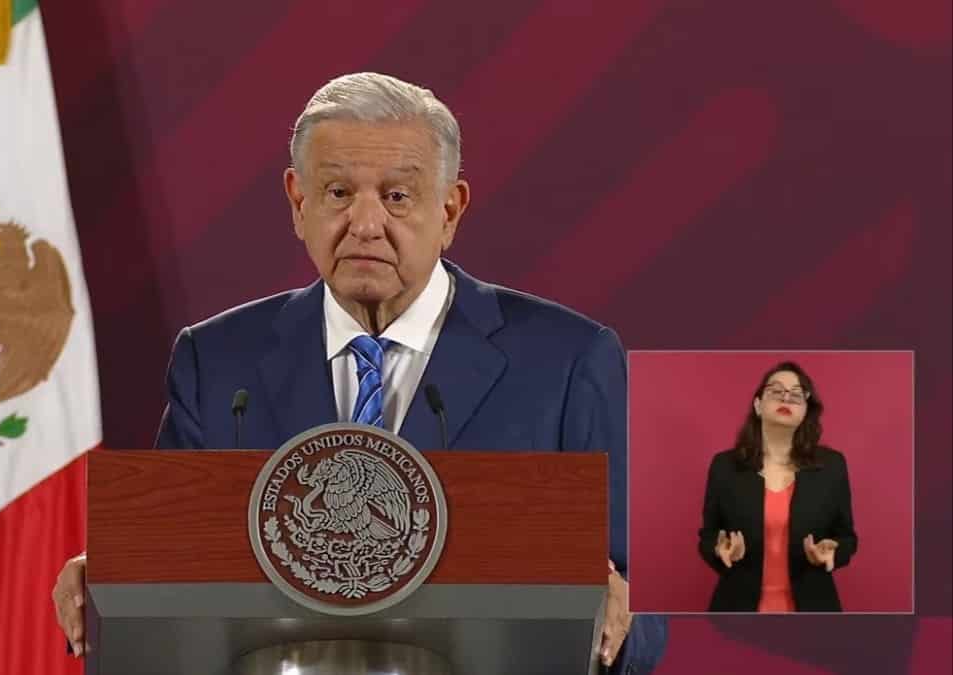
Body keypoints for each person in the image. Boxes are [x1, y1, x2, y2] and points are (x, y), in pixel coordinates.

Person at [52, 72, 667, 672]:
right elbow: (169, 566)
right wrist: (111, 581)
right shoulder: (218, 364)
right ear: (298, 202)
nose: (365, 224)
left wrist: (623, 612)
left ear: (450, 209)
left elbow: (652, 608)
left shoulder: (565, 361)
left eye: (397, 196)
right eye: (338, 193)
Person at [698, 361, 858, 612]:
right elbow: (707, 536)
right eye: (776, 390)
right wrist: (720, 550)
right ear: (758, 404)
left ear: (806, 410)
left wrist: (833, 551)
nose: (786, 397)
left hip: (814, 607)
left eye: (796, 394)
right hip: (737, 606)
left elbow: (847, 537)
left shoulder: (832, 466)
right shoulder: (725, 466)